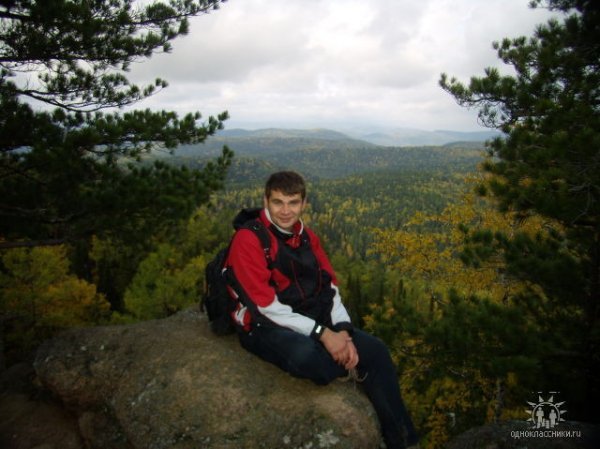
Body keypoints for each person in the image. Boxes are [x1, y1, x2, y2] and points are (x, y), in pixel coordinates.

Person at [224, 170, 419, 449]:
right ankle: (345, 364)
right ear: (265, 201)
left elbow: (329, 287)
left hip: (303, 315)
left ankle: (402, 441)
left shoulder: (306, 237)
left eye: (293, 202)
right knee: (309, 359)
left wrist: (343, 333)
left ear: (304, 204)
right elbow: (265, 307)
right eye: (278, 202)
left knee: (376, 351)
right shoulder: (250, 239)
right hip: (260, 324)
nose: (285, 211)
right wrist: (324, 334)